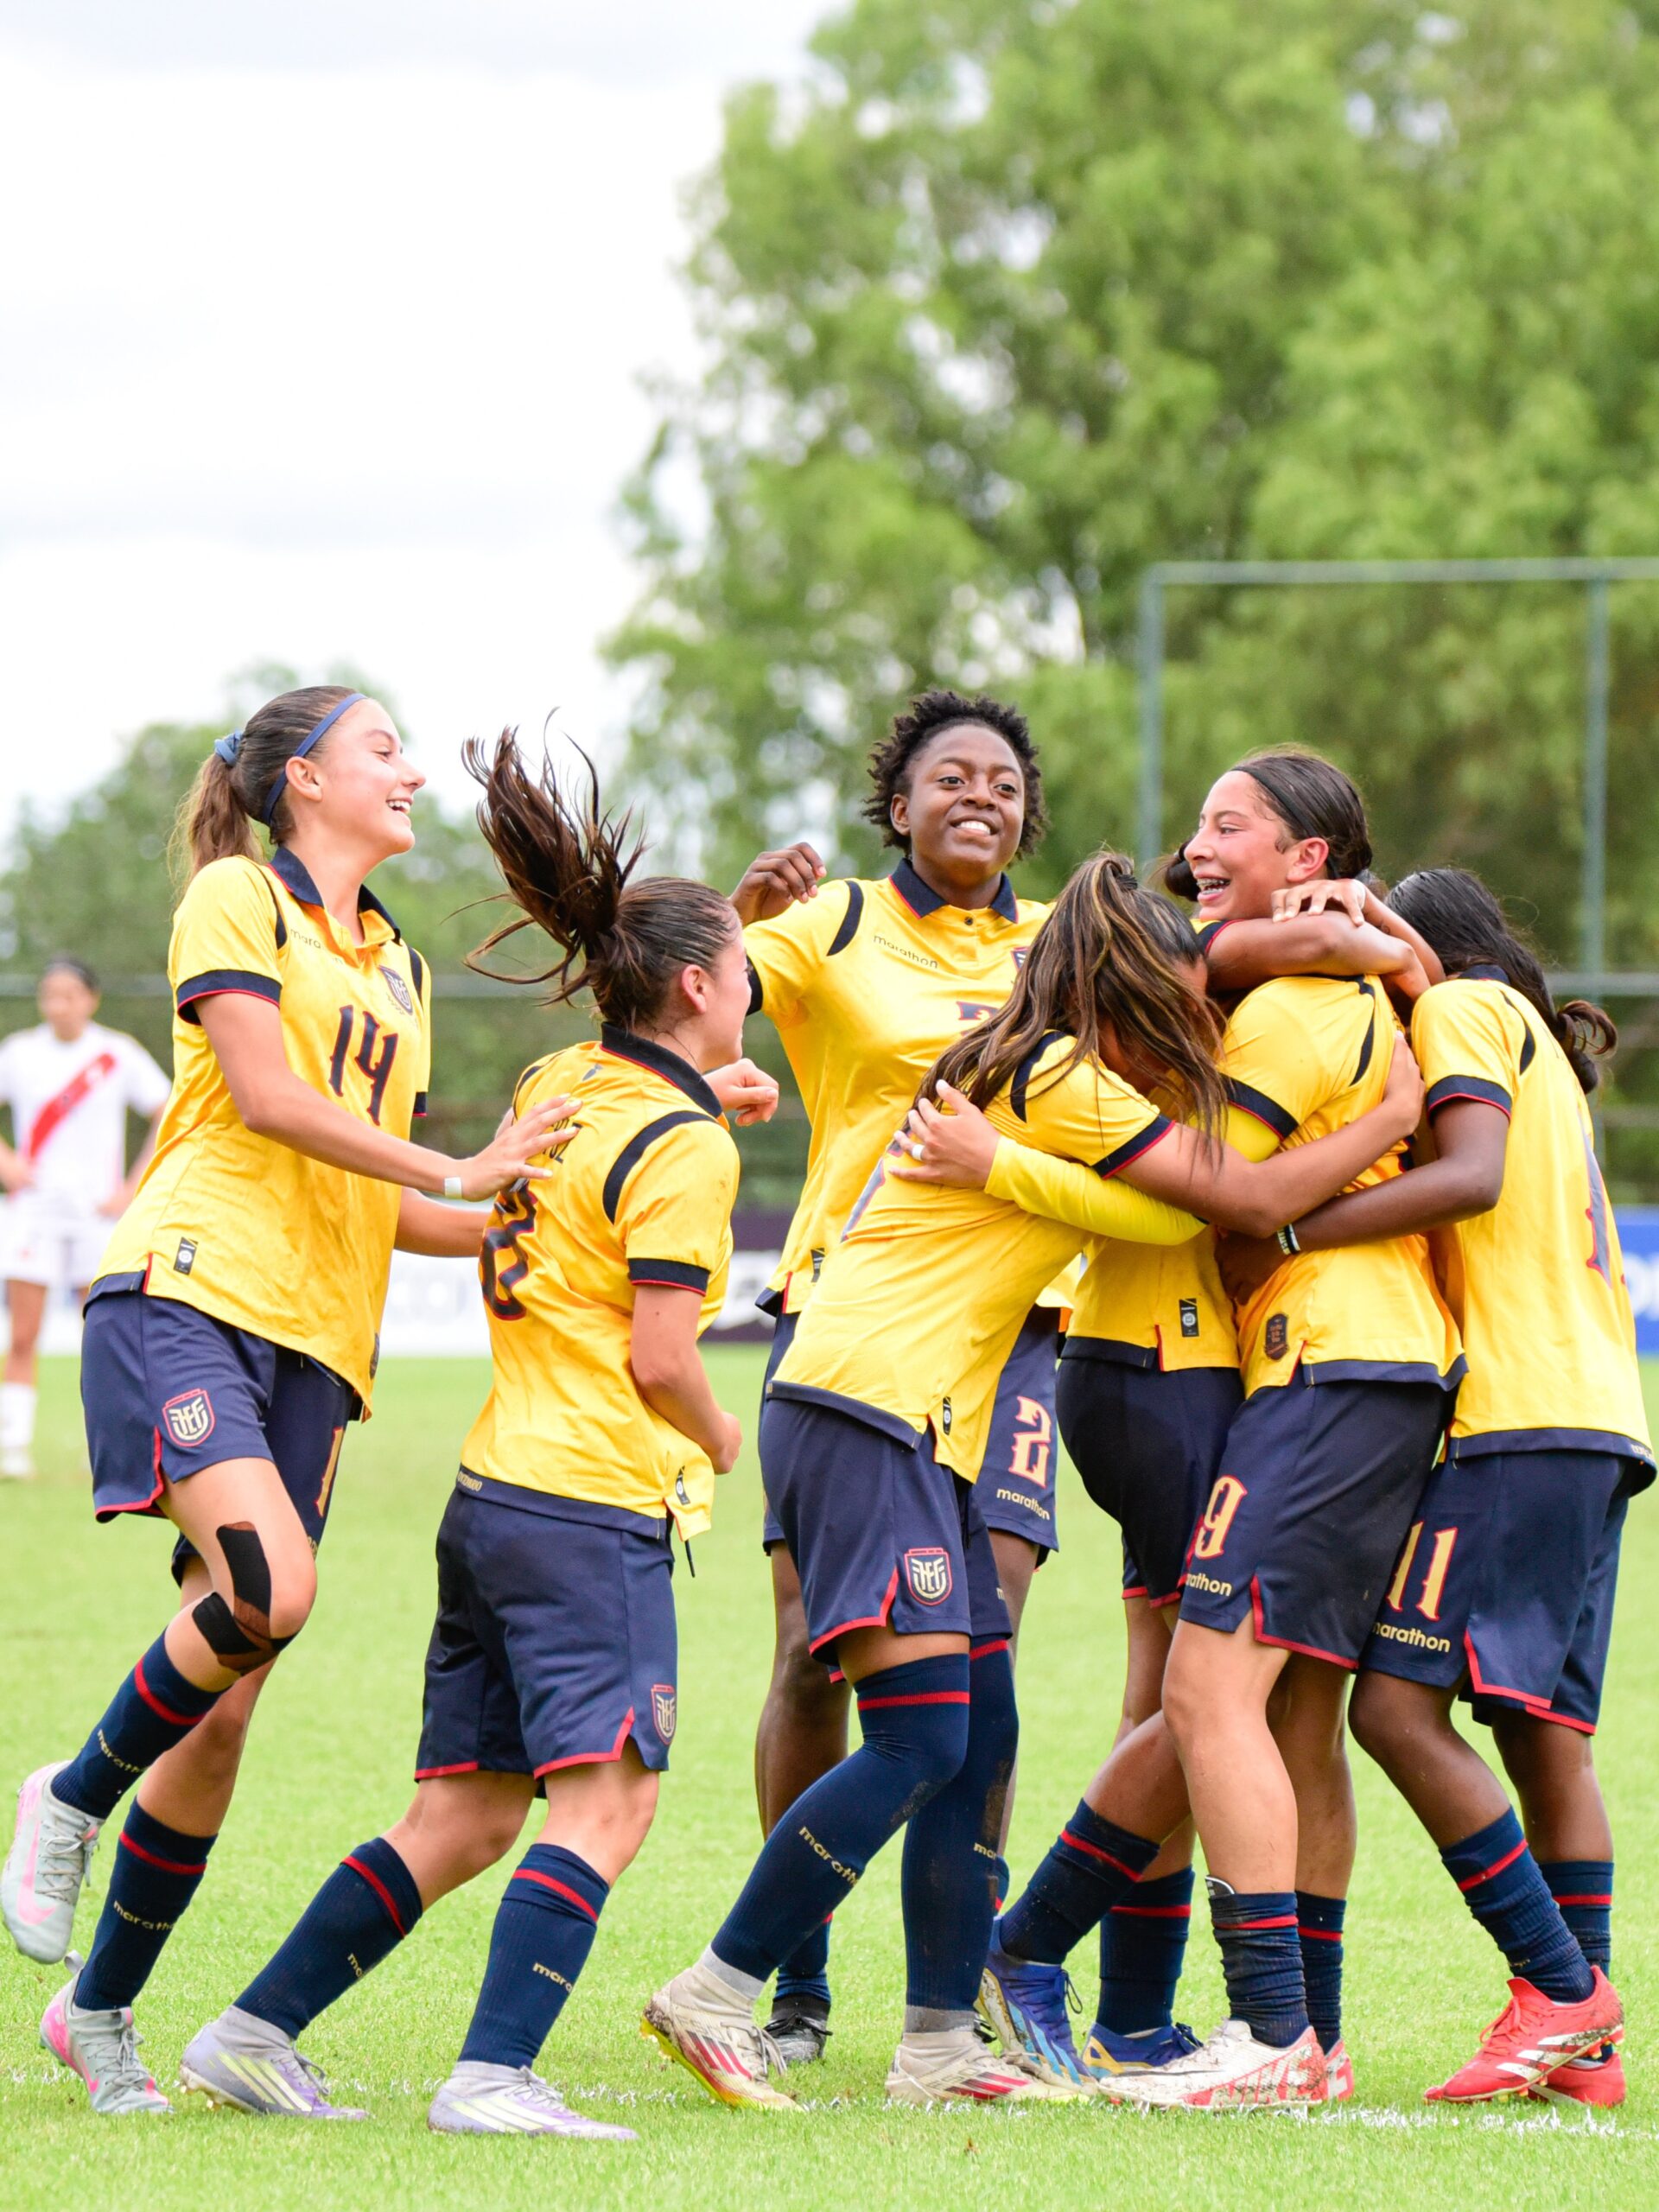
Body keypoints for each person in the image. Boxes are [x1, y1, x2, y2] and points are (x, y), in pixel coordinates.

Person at [643, 849, 1424, 2110]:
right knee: (921, 1736)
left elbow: (1161, 1219)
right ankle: (720, 1988)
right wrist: (1389, 1118)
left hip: (924, 1430)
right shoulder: (1052, 1071)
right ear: (1118, 1000)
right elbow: (1235, 1193)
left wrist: (1002, 1170)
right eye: (1168, 1014)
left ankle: (941, 2046)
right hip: (863, 1410)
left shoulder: (1027, 1075)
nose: (1182, 1045)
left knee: (985, 1733)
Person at [0, 688, 570, 2119]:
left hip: (319, 1348)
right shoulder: (236, 897)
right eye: (384, 750)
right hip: (191, 1290)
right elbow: (262, 1098)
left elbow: (385, 1199)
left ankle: (98, 2015)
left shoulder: (403, 967)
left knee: (227, 1711)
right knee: (275, 1586)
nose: (412, 773)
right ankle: (69, 1795)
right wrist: (460, 1165)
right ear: (304, 779)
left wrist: (532, 1214)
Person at [175, 734, 753, 2139]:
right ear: (697, 986)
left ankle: (249, 2034)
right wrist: (722, 1432)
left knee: (466, 1817)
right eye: (745, 973)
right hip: (591, 1501)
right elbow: (661, 1355)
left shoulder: (563, 1083)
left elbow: (584, 1178)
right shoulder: (686, 1146)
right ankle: (494, 2075)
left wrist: (704, 1103)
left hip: (492, 1494)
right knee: (610, 1805)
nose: (754, 995)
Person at [936, 753, 1463, 2109]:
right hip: (1175, 1367)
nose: (1198, 844)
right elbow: (1231, 1198)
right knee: (1222, 1697)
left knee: (1223, 1697)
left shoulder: (1262, 983)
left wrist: (1369, 947)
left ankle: (1166, 2015)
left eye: (1230, 825)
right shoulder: (1242, 977)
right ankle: (1094, 1980)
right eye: (1201, 827)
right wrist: (1380, 990)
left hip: (1200, 1369)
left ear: (1310, 858)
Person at [1219, 867, 1642, 2105]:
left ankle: (1560, 1991)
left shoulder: (1457, 1009)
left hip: (1514, 1414)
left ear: (1423, 948)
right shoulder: (1534, 1038)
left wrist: (1289, 1230)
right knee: (1546, 1735)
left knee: (1395, 1711)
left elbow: (1469, 1177)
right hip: (1601, 1417)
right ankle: (1586, 2054)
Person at [733, 688, 1065, 2065]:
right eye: (950, 776)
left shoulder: (1062, 946)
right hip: (849, 1321)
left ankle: (952, 1996)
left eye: (1004, 782)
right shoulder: (834, 922)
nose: (979, 795)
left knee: (980, 1655)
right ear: (899, 804)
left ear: (1027, 819)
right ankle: (794, 1984)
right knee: (814, 1650)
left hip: (1018, 1329)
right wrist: (737, 913)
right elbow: (691, 1000)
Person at [0, 959, 170, 1478]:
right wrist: (8, 1165)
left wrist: (133, 1186)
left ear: (91, 999)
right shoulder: (20, 1052)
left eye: (70, 994)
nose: (59, 1005)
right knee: (23, 1333)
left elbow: (168, 1110)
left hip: (98, 1216)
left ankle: (103, 1447)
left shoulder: (117, 1053)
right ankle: (12, 1447)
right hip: (34, 1212)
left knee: (101, 1336)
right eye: (50, 994)